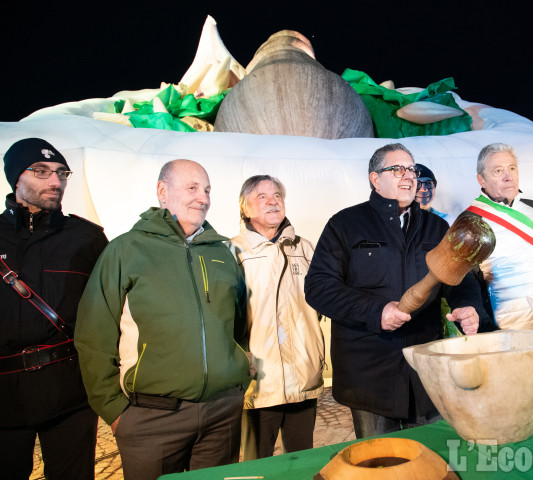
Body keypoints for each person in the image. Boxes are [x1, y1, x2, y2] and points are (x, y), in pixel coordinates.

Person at [75, 159, 252, 480]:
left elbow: (239, 325)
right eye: (192, 188)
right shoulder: (126, 250)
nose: (204, 198)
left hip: (221, 414)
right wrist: (115, 411)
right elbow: (93, 335)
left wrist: (237, 382)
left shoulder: (222, 252)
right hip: (151, 419)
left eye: (208, 190)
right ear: (162, 191)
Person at [304, 143, 495, 439]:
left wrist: (469, 306)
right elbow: (319, 288)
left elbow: (463, 279)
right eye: (397, 169)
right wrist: (376, 312)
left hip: (425, 373)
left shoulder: (436, 228)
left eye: (412, 169)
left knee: (430, 461)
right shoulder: (345, 225)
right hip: (370, 376)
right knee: (381, 465)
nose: (409, 176)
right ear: (375, 179)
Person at [0, 138, 108, 480]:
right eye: (42, 171)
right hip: (3, 395)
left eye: (61, 173)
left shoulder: (87, 238)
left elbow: (111, 309)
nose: (55, 181)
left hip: (71, 393)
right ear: (16, 178)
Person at [229, 175, 324, 459]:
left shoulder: (304, 248)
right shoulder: (232, 250)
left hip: (303, 374)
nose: (273, 201)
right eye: (262, 197)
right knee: (255, 466)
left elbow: (318, 305)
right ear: (244, 208)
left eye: (277, 196)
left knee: (301, 461)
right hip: (258, 380)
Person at [469, 142, 533, 392]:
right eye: (497, 170)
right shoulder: (472, 221)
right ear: (481, 179)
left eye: (512, 168)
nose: (507, 176)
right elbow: (469, 281)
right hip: (509, 334)